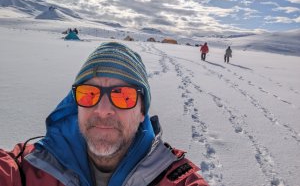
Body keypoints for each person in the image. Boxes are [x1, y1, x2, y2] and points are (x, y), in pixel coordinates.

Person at [0, 42, 209, 186]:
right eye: (89, 94)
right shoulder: (27, 167)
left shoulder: (174, 179)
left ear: (143, 111)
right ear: (75, 104)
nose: (102, 110)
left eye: (123, 96)